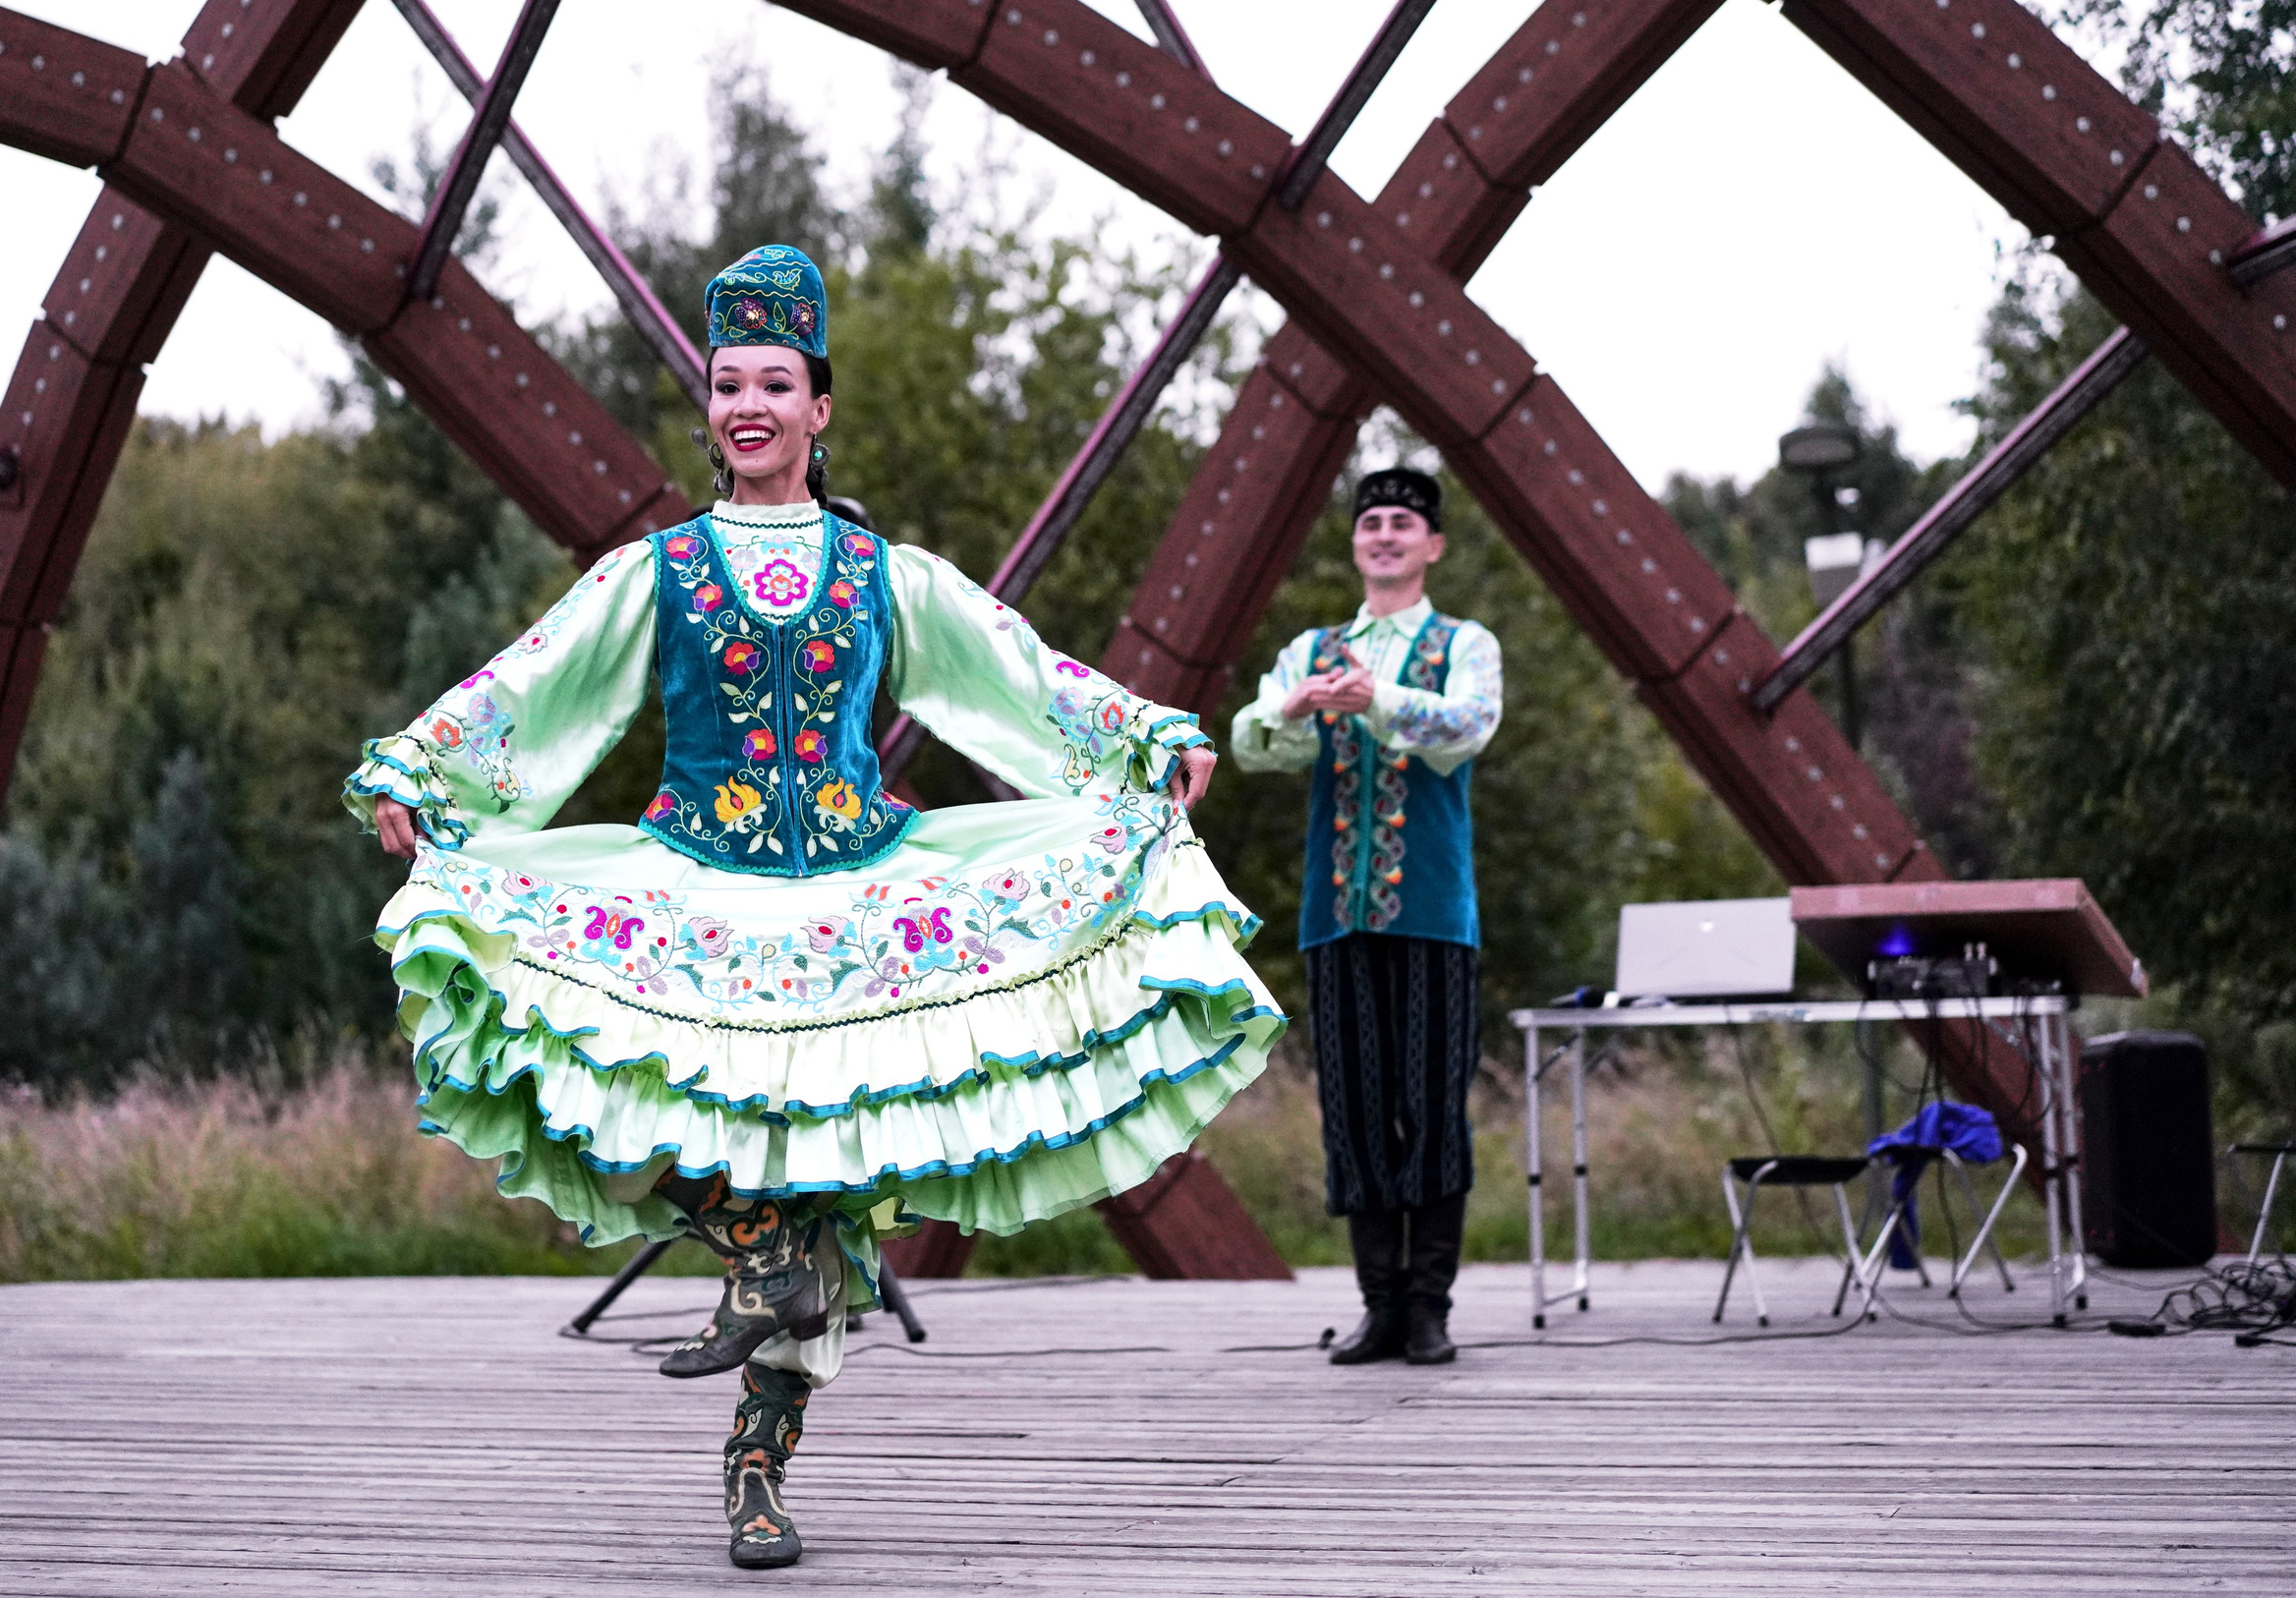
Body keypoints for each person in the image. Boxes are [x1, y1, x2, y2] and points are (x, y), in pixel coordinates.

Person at [345, 245, 1280, 1569]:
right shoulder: (657, 572)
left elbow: (1017, 676)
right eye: (728, 384)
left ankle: (757, 1468)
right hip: (697, 891)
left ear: (817, 408)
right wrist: (420, 773)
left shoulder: (880, 573)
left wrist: (1141, 741)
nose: (749, 405)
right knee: (607, 1086)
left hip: (852, 898)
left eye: (774, 383)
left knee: (832, 1188)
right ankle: (750, 1237)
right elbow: (537, 683)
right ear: (712, 409)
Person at [1230, 468, 1502, 1367]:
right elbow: (1252, 739)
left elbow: (1466, 726)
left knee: (1430, 1107)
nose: (1384, 535)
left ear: (1433, 546)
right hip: (1336, 914)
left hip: (1430, 912)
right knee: (1352, 1110)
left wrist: (1376, 700)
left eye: (1402, 524)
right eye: (1371, 522)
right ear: (1356, 544)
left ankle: (1430, 1307)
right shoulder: (1315, 648)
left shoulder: (1465, 643)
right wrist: (1298, 704)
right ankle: (1378, 1305)